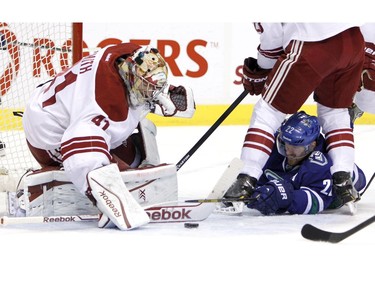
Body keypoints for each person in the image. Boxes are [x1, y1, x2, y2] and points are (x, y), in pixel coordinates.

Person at [22, 43, 195, 230]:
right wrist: (110, 198)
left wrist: (154, 96)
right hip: (48, 135)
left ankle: (121, 174)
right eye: (146, 87)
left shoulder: (123, 55)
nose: (150, 92)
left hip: (56, 101)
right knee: (104, 168)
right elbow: (80, 153)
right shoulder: (103, 104)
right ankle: (54, 183)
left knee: (143, 130)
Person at [224, 23, 365, 210]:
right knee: (335, 112)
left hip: (313, 41)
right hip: (354, 42)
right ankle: (343, 179)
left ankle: (246, 179)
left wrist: (262, 69)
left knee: (268, 112)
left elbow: (272, 37)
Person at [241, 111, 366, 216]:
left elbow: (317, 201)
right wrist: (249, 186)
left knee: (335, 189)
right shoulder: (275, 147)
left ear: (312, 146)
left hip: (335, 192)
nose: (288, 151)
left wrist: (286, 198)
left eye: (296, 147)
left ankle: (347, 120)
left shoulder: (320, 165)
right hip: (302, 178)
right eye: (285, 144)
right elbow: (261, 174)